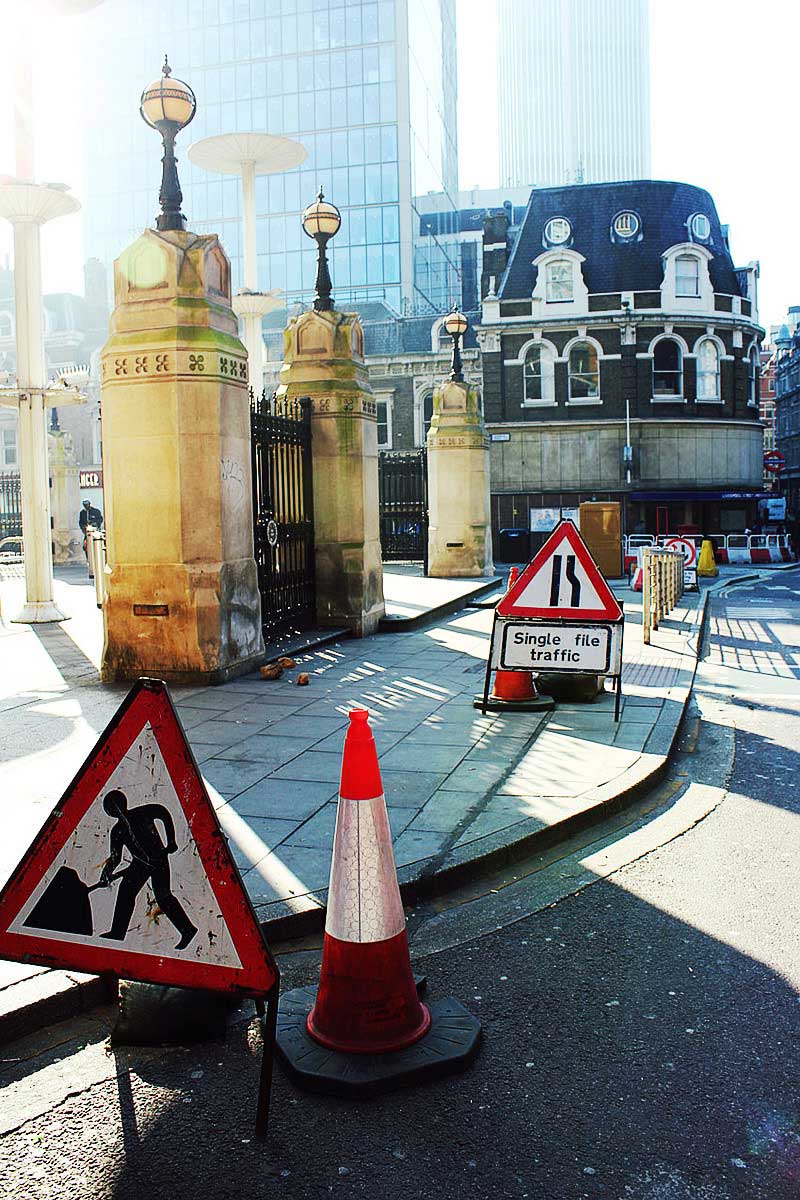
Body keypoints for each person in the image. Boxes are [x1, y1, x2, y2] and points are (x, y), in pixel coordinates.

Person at [98, 789, 197, 951]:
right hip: (140, 864)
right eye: (111, 809)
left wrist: (171, 841)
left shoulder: (142, 813)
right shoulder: (118, 831)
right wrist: (106, 874)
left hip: (158, 859)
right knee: (125, 893)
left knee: (163, 896)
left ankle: (188, 930)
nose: (116, 811)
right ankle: (117, 932)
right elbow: (116, 857)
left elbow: (164, 812)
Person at [79, 499, 103, 571]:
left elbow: (100, 519)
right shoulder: (82, 513)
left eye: (87, 505)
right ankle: (89, 560)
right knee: (85, 546)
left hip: (95, 532)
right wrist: (83, 528)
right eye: (84, 505)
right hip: (87, 532)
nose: (86, 506)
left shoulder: (96, 511)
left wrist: (96, 524)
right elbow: (81, 522)